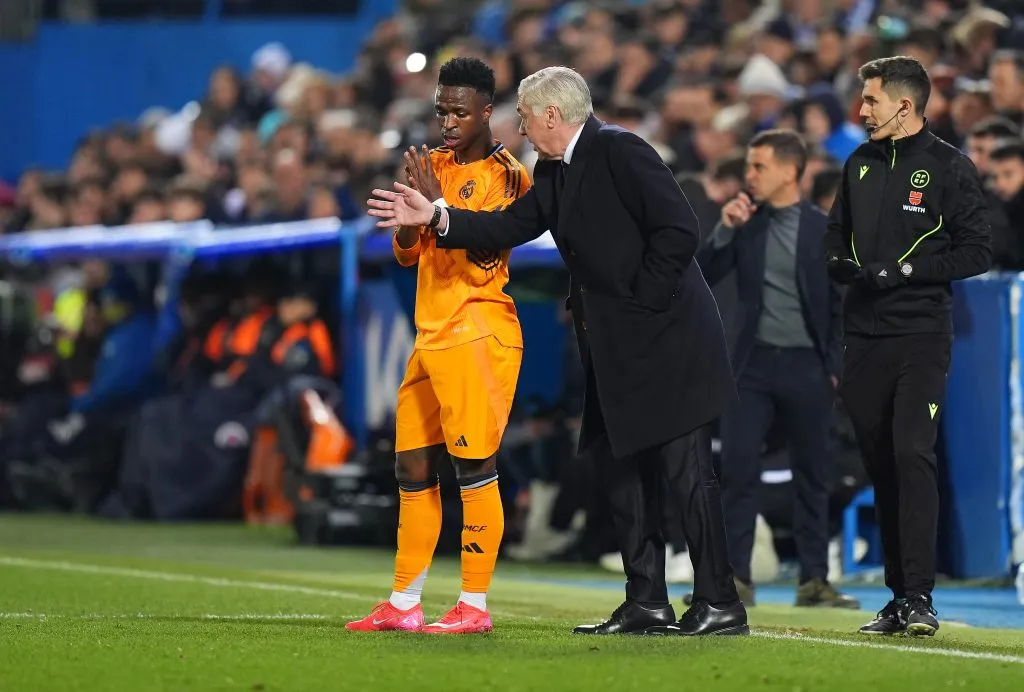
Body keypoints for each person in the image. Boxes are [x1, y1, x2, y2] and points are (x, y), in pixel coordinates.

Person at [368, 66, 748, 637]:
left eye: (522, 115)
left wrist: (639, 305)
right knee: (623, 473)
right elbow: (509, 226)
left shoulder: (621, 150)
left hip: (668, 340)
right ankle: (646, 600)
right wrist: (437, 216)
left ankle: (719, 602)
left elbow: (679, 232)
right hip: (615, 344)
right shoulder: (553, 169)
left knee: (687, 475)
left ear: (551, 114)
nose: (516, 126)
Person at [346, 57, 531, 635]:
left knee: (474, 467)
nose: (448, 121)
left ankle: (473, 605)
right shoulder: (433, 167)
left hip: (478, 329)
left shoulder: (508, 176)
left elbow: (485, 250)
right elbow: (409, 252)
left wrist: (440, 209)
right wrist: (408, 218)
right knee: (412, 467)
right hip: (430, 334)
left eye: (460, 110)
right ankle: (404, 603)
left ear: (486, 111)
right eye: (441, 109)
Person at [824, 56, 992, 637]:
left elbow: (977, 251)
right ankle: (898, 599)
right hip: (862, 338)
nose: (860, 110)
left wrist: (907, 271)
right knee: (882, 466)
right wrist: (839, 265)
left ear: (903, 104)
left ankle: (920, 596)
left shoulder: (949, 167)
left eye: (869, 100)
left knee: (911, 455)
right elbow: (833, 236)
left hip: (920, 335)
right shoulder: (859, 163)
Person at [696, 129, 858, 610]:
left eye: (758, 167)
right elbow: (703, 273)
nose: (749, 176)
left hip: (808, 366)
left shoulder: (823, 228)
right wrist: (724, 228)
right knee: (739, 470)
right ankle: (735, 578)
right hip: (752, 366)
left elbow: (838, 305)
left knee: (814, 474)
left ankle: (814, 580)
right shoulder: (743, 222)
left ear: (791, 171)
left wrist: (834, 366)